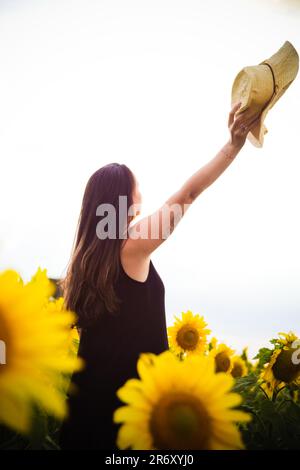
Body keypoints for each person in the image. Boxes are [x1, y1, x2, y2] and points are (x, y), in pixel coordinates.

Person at [59, 102, 261, 449]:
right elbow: (188, 194)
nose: (143, 197)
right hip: (132, 418)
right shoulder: (132, 247)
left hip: (82, 417)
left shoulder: (81, 265)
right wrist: (232, 146)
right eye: (138, 191)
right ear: (126, 200)